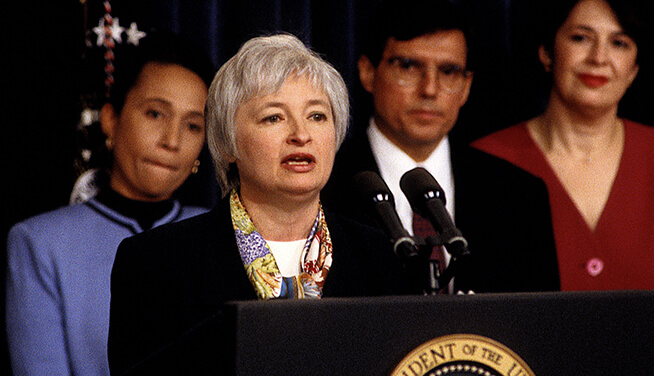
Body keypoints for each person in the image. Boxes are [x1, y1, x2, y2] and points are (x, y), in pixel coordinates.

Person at [106, 33, 411, 375]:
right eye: (274, 118)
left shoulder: (381, 258)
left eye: (317, 116)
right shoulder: (156, 263)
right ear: (226, 145)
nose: (301, 134)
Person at [471, 0, 654, 374]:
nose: (599, 57)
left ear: (635, 67)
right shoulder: (486, 162)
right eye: (580, 38)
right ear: (546, 52)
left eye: (620, 43)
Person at [5, 33, 214, 376]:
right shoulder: (40, 243)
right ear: (110, 120)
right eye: (155, 114)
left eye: (193, 125)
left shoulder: (226, 235)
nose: (172, 141)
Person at [322, 0, 560, 294]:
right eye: (408, 66)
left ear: (466, 86)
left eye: (448, 72)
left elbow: (542, 324)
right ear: (368, 71)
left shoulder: (519, 195)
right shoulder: (323, 188)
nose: (430, 89)